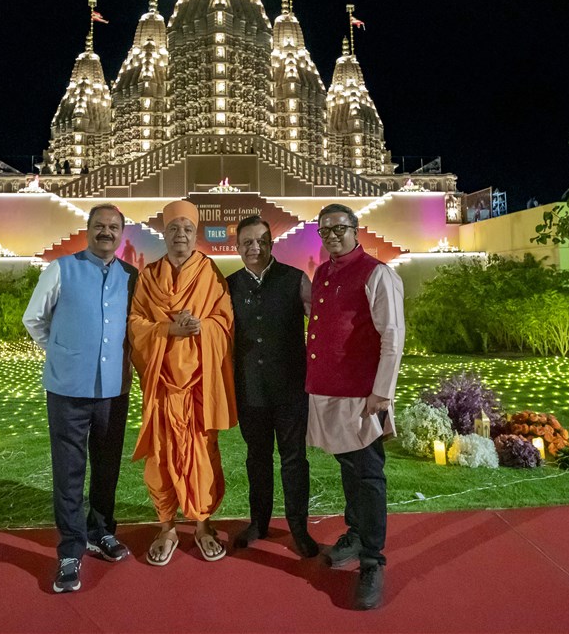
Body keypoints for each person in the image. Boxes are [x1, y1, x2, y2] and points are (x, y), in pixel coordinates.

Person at [23, 204, 138, 594]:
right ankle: (70, 550)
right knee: (69, 472)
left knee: (107, 468)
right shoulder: (61, 268)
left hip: (113, 390)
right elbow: (34, 319)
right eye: (100, 226)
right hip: (67, 389)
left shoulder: (131, 276)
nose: (106, 232)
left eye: (114, 227)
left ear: (122, 234)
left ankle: (100, 532)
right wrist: (61, 351)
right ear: (88, 229)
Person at [306, 203, 404, 611]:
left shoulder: (377, 273)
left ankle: (372, 560)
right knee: (348, 468)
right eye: (324, 230)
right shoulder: (324, 272)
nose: (331, 236)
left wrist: (382, 392)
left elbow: (392, 335)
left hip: (363, 395)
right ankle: (357, 533)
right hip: (328, 390)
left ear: (355, 229)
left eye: (338, 229)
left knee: (367, 474)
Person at [128, 199, 237, 565]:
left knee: (203, 455)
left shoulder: (209, 274)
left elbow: (225, 323)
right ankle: (166, 526)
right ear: (164, 233)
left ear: (196, 234)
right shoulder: (148, 277)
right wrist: (168, 329)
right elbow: (135, 324)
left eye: (188, 229)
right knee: (161, 457)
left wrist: (202, 327)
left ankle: (204, 525)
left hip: (198, 386)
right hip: (161, 385)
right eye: (174, 228)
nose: (181, 235)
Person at [226, 216, 319, 557]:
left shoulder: (295, 279)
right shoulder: (229, 285)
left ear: (271, 243)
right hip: (250, 390)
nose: (254, 248)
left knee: (295, 460)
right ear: (237, 247)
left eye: (261, 241)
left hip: (292, 388)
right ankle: (258, 523)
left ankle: (299, 528)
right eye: (247, 242)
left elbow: (323, 322)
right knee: (257, 458)